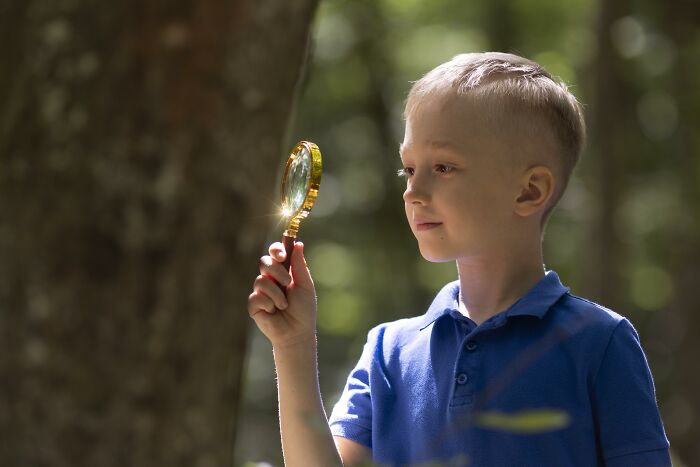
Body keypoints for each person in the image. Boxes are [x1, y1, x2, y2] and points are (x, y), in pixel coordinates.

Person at [247, 52, 671, 466]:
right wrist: (293, 346)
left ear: (529, 191)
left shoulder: (599, 342)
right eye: (409, 169)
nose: (413, 192)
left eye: (444, 167)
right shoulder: (388, 351)